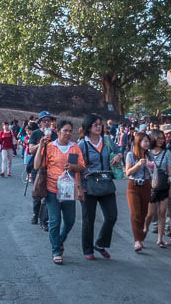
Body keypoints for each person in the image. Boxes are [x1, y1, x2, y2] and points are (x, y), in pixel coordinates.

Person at [33, 119, 85, 265]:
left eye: (70, 131)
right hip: (52, 189)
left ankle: (60, 240)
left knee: (70, 221)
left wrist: (73, 167)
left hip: (68, 190)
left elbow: (82, 166)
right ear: (58, 131)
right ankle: (56, 250)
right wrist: (40, 147)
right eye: (65, 130)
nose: (68, 134)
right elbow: (37, 165)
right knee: (55, 221)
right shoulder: (50, 147)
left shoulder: (75, 147)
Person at [78, 113, 122, 260]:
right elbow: (76, 167)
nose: (98, 127)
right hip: (88, 186)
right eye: (95, 124)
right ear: (88, 127)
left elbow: (120, 150)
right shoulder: (82, 145)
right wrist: (79, 188)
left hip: (106, 183)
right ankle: (87, 249)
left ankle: (101, 243)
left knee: (112, 216)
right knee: (88, 220)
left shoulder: (107, 141)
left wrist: (118, 156)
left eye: (100, 124)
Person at [147, 129, 171, 248]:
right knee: (150, 213)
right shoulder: (147, 152)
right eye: (158, 138)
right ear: (152, 138)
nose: (161, 141)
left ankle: (160, 239)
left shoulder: (167, 153)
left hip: (163, 185)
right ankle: (142, 234)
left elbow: (170, 171)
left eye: (162, 138)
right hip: (150, 186)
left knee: (162, 212)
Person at [125, 131, 152, 252]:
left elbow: (153, 173)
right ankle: (137, 240)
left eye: (148, 141)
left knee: (143, 213)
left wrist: (151, 167)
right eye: (145, 141)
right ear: (138, 142)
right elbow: (127, 172)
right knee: (135, 213)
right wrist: (138, 165)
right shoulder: (131, 155)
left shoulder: (150, 155)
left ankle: (140, 237)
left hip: (146, 185)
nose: (147, 143)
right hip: (133, 185)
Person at [29, 111, 56, 227]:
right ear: (39, 122)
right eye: (44, 120)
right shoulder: (35, 133)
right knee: (37, 194)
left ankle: (43, 219)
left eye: (48, 120)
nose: (46, 123)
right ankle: (35, 213)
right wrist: (41, 144)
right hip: (38, 167)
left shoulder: (54, 135)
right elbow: (30, 150)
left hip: (51, 167)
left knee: (47, 196)